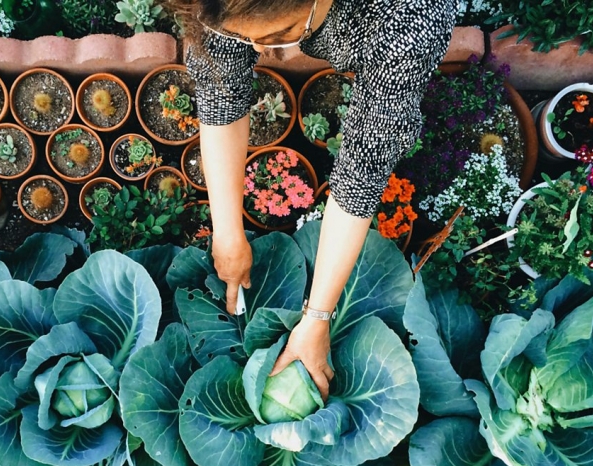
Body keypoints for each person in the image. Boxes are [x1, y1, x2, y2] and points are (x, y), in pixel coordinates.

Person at [166, 0, 455, 400]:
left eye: (280, 36)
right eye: (241, 35)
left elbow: (362, 171)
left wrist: (318, 320)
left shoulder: (409, 19)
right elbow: (220, 89)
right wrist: (228, 234)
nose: (262, 51)